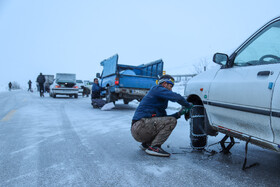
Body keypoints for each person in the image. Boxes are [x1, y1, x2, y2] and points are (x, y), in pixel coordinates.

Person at [131, 74, 193, 157]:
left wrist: (179, 114)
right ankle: (154, 147)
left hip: (140, 128)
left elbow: (165, 120)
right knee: (171, 121)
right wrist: (188, 105)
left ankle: (146, 144)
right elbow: (177, 97)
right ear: (164, 84)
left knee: (167, 121)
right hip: (140, 126)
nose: (171, 89)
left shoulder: (160, 100)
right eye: (170, 86)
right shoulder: (156, 89)